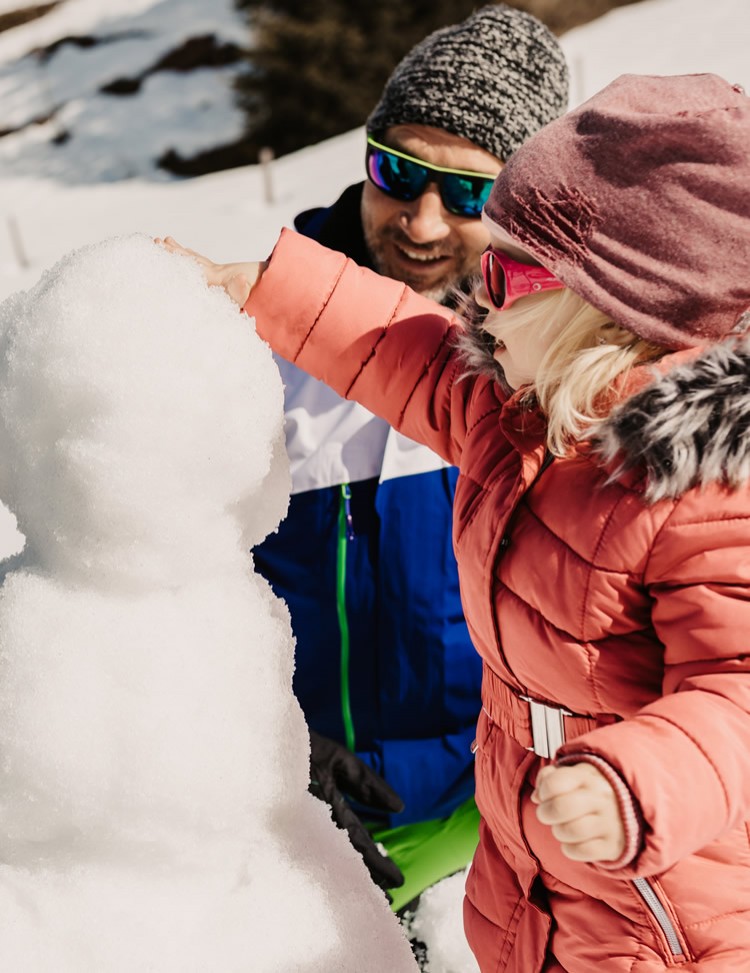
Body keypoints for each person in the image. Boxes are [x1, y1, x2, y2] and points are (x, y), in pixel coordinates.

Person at [161, 72, 750, 970]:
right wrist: (266, 287)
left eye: (511, 269)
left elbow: (740, 693)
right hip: (534, 889)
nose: (482, 290)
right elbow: (410, 353)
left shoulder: (706, 492)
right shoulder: (521, 410)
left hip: (667, 911)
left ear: (615, 307)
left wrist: (641, 781)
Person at [247, 3, 569, 913]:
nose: (421, 222)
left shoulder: (558, 373)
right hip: (287, 828)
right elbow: (146, 581)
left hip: (499, 837)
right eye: (397, 172)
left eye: (468, 194)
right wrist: (264, 745)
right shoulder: (248, 341)